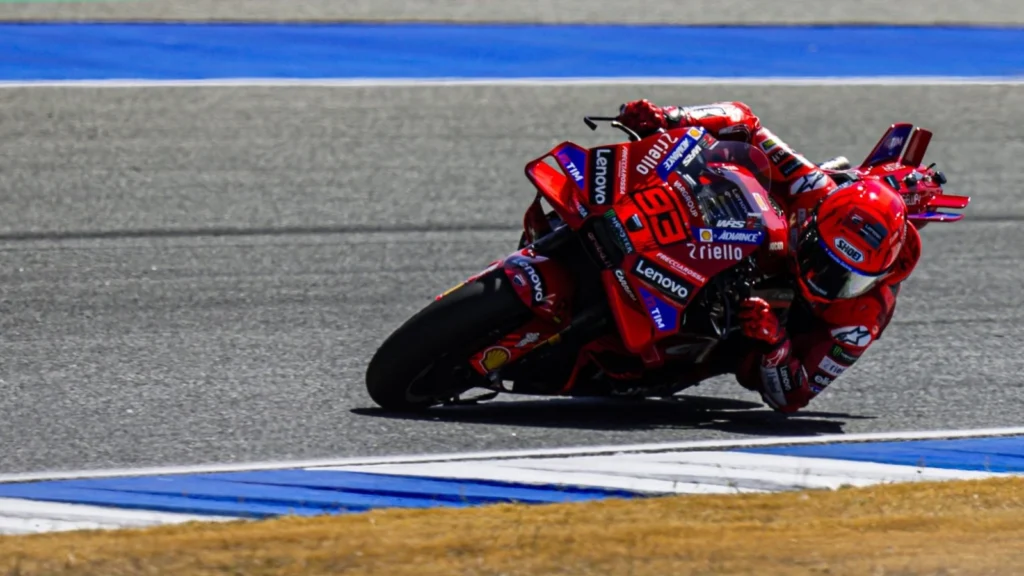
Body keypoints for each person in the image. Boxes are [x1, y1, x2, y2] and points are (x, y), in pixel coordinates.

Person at [615, 99, 923, 413]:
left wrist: (775, 344)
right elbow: (745, 121)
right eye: (822, 262)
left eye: (848, 280)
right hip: (726, 233)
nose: (823, 281)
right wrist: (669, 118)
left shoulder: (861, 319)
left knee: (741, 364)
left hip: (747, 325)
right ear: (815, 223)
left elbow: (793, 397)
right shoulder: (813, 187)